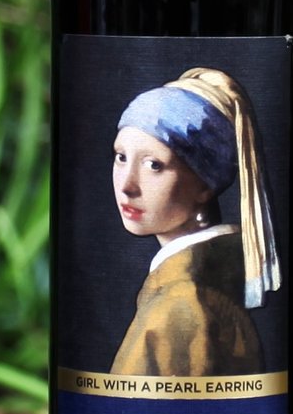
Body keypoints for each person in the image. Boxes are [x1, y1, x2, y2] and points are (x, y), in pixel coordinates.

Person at [105, 67, 282, 377]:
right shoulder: (205, 284)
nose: (127, 185)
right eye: (121, 157)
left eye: (154, 165)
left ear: (204, 185)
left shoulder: (182, 302)